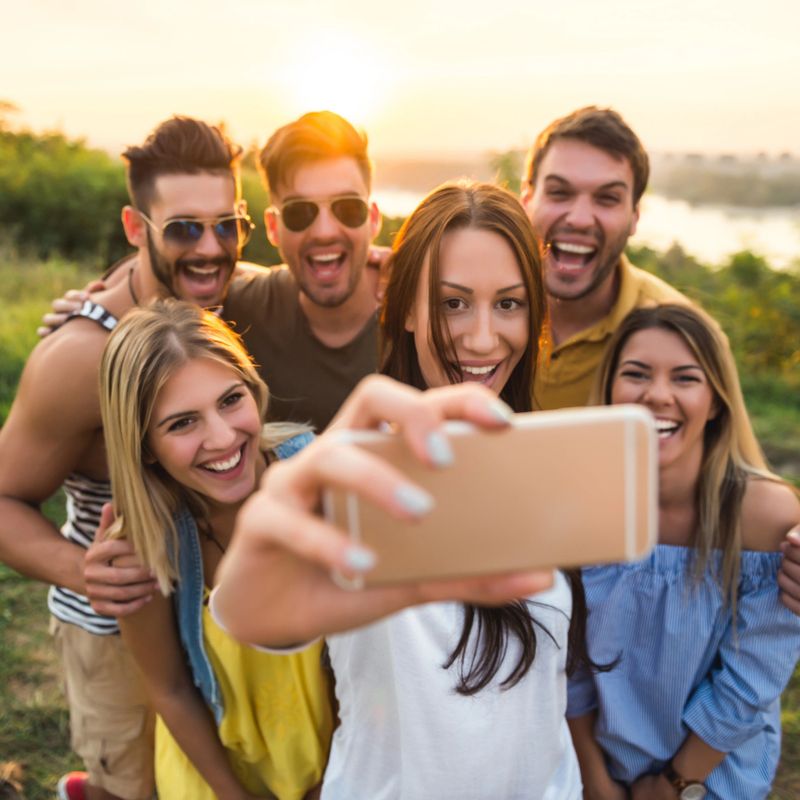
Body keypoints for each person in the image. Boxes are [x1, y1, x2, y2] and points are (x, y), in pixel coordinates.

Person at [213, 182, 598, 799]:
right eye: (452, 304)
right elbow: (253, 616)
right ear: (404, 305)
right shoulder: (357, 475)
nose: (481, 338)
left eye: (508, 303)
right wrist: (259, 554)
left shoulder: (540, 465)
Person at [0, 116, 251, 800]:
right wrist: (80, 569)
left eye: (227, 226)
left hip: (219, 629)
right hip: (117, 635)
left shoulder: (219, 304)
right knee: (136, 788)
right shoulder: (81, 357)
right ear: (136, 228)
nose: (211, 249)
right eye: (184, 229)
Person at [97, 300, 333, 799]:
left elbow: (372, 663)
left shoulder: (320, 482)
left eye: (231, 399)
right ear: (143, 445)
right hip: (214, 774)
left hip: (335, 758)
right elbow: (171, 688)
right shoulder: (143, 542)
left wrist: (334, 777)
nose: (223, 438)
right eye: (182, 423)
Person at [566, 304, 800, 800]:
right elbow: (569, 666)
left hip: (713, 774)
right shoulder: (581, 507)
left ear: (715, 401)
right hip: (593, 768)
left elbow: (752, 678)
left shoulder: (762, 516)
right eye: (636, 374)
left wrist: (676, 784)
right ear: (610, 391)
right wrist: (593, 779)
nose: (657, 395)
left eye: (685, 378)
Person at [221, 110, 383, 430]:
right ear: (272, 227)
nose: (324, 231)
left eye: (347, 208)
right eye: (299, 212)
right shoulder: (241, 312)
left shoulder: (421, 311)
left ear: (373, 218)